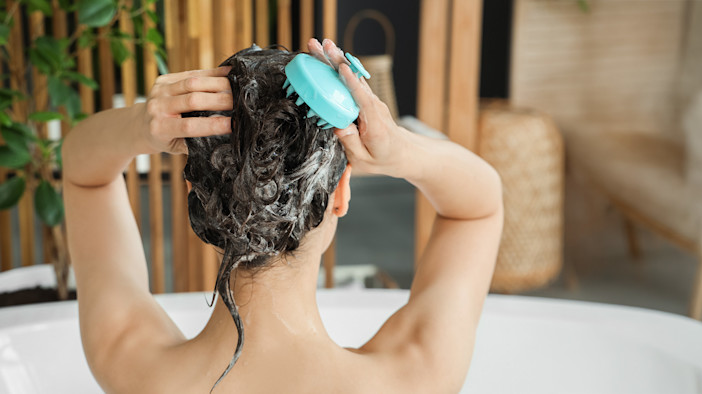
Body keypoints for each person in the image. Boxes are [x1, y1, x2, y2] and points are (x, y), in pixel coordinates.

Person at [61, 38, 503, 393]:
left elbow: (84, 172)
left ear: (196, 193)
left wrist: (141, 123)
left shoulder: (132, 364)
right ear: (340, 195)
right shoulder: (413, 377)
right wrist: (401, 150)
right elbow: (478, 208)